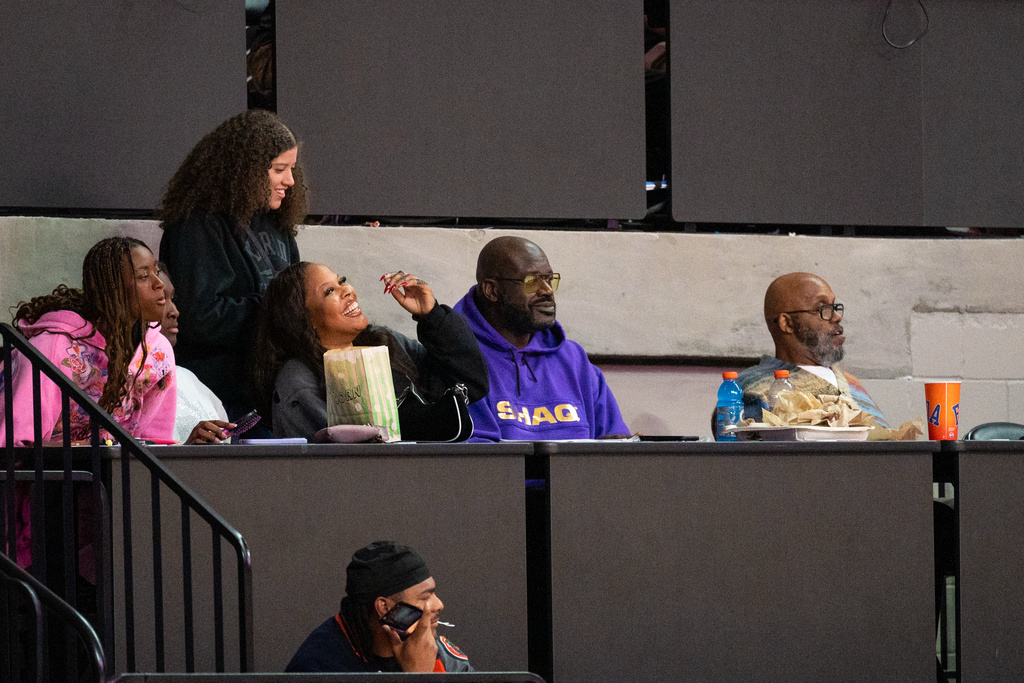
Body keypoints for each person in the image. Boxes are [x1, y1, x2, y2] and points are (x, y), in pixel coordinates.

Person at [0, 237, 176, 575]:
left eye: (156, 271)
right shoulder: (53, 347)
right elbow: (13, 445)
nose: (159, 285)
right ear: (111, 288)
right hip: (43, 498)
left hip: (109, 493)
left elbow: (153, 440)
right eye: (143, 276)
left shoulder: (157, 352)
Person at [159, 109, 305, 420]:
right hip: (222, 401)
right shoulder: (197, 226)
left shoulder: (276, 223)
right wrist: (276, 307)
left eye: (292, 168)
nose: (290, 180)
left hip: (269, 394)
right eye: (280, 169)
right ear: (247, 170)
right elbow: (200, 318)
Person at [251, 263, 488, 439]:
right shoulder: (298, 379)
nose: (348, 290)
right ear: (303, 318)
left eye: (341, 280)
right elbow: (332, 461)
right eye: (329, 291)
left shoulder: (385, 342)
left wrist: (432, 316)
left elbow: (470, 383)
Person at [453, 236, 629, 441]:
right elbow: (477, 461)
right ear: (492, 290)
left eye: (549, 279)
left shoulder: (574, 360)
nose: (547, 291)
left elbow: (617, 448)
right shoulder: (458, 360)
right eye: (532, 281)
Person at [286, 541, 472, 673]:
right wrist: (419, 678)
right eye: (425, 597)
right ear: (384, 607)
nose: (439, 604)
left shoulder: (431, 648)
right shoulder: (320, 668)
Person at [735, 272, 886, 424]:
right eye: (822, 308)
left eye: (833, 306)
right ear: (787, 323)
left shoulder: (851, 382)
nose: (837, 317)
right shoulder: (751, 391)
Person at [157, 266, 234, 444]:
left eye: (173, 299)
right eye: (161, 300)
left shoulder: (188, 378)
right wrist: (187, 450)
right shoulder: (125, 383)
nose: (174, 311)